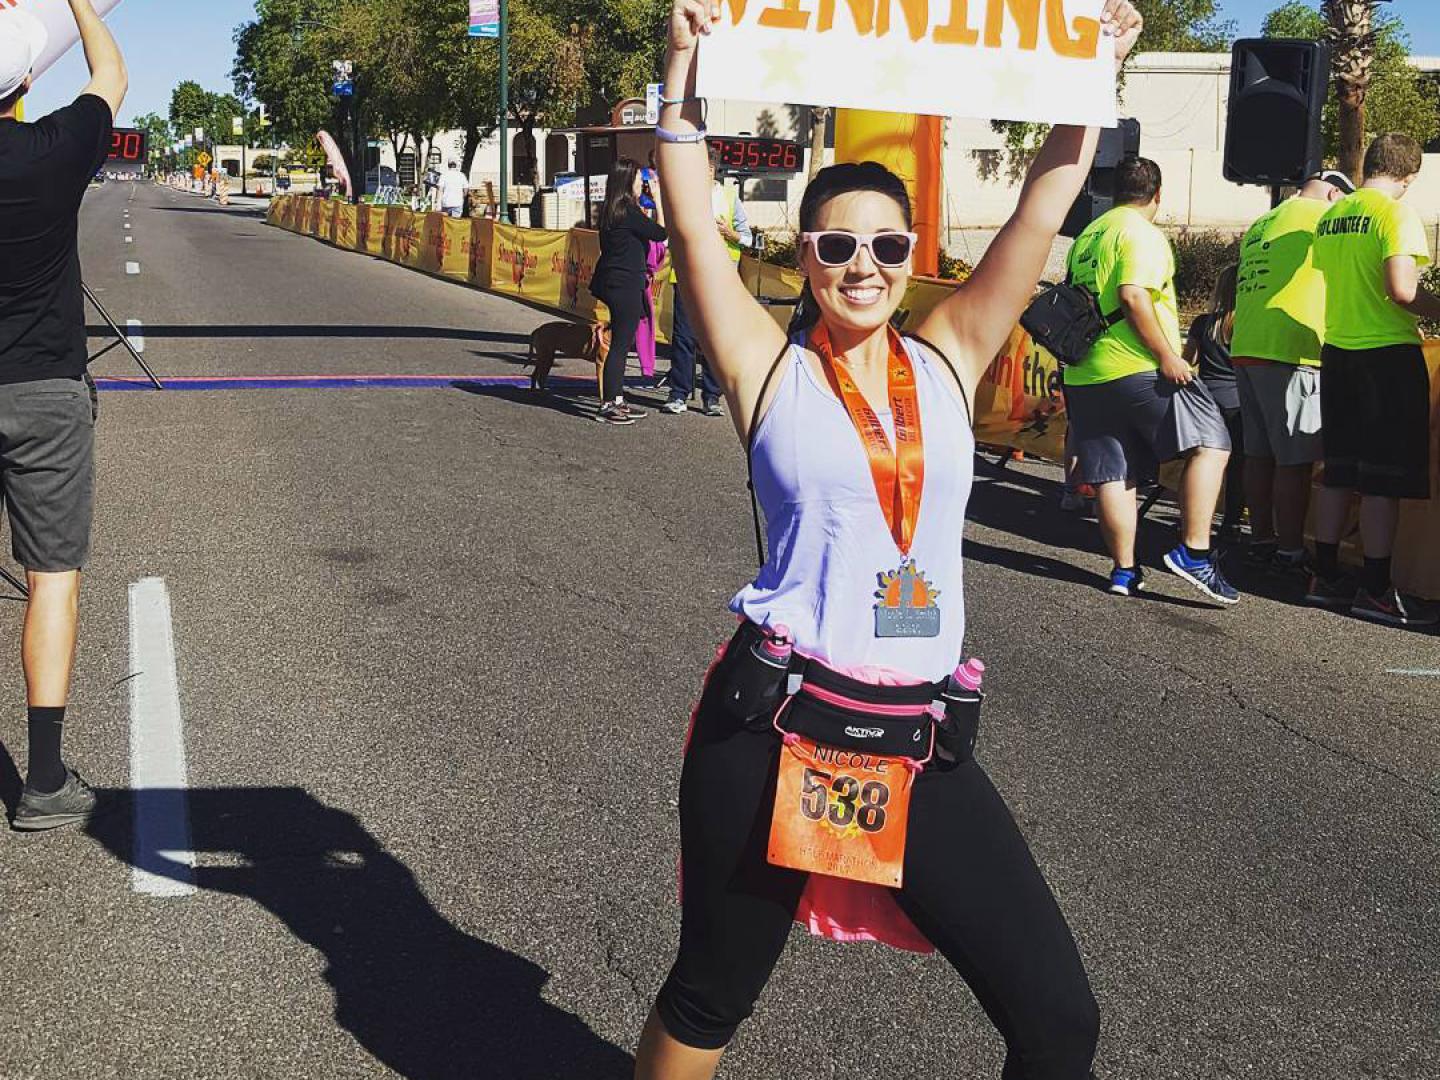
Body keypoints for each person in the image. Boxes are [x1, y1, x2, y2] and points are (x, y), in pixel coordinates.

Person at [638, 2, 1143, 1077]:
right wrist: (678, 73)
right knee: (711, 993)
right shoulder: (766, 366)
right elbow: (690, 228)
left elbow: (1043, 204)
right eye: (836, 245)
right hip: (775, 728)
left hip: (915, 738)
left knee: (1059, 1021)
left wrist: (1092, 76)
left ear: (914, 257)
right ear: (806, 257)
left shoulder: (952, 352)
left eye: (886, 244)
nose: (861, 264)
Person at [0, 0, 127, 831]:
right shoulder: (53, 148)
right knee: (51, 578)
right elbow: (110, 74)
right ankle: (43, 781)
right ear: (22, 85)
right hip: (44, 388)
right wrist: (77, 2)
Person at [1063, 156, 1238, 604]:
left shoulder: (1088, 236)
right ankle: (1194, 552)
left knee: (1113, 472)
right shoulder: (1141, 233)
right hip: (1137, 367)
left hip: (1085, 373)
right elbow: (1132, 295)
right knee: (1212, 442)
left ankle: (1123, 571)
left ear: (1114, 192)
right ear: (1157, 194)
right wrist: (1167, 356)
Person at [1309, 134, 1440, 626]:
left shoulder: (1333, 215)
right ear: (1409, 176)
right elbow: (1402, 290)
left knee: (1340, 471)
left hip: (1338, 351)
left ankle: (1324, 576)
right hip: (1386, 355)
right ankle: (1376, 589)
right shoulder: (1396, 214)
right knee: (1383, 479)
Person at [1231, 171, 1352, 572]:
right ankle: (1290, 550)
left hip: (1248, 344)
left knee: (1258, 455)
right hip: (1292, 347)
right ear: (1334, 193)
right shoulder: (1323, 218)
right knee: (1294, 461)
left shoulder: (1263, 221)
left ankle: (1261, 539)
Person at [662, 145, 751, 417]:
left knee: (715, 338)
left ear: (712, 169)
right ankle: (678, 393)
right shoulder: (684, 195)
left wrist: (730, 233)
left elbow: (748, 238)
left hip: (720, 278)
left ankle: (711, 396)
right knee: (683, 337)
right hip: (686, 275)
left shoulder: (729, 197)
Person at [589, 158, 667, 425]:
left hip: (613, 280)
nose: (641, 185)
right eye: (637, 180)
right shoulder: (627, 211)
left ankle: (617, 398)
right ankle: (608, 404)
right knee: (620, 345)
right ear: (627, 181)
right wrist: (657, 200)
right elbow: (660, 233)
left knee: (622, 342)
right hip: (625, 283)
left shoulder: (610, 209)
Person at [1184, 264, 1243, 543]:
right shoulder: (1248, 325)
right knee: (1238, 465)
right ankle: (1232, 521)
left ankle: (1194, 520)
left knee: (1201, 459)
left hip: (1206, 399)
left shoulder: (1202, 324)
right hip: (1238, 400)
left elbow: (1188, 361)